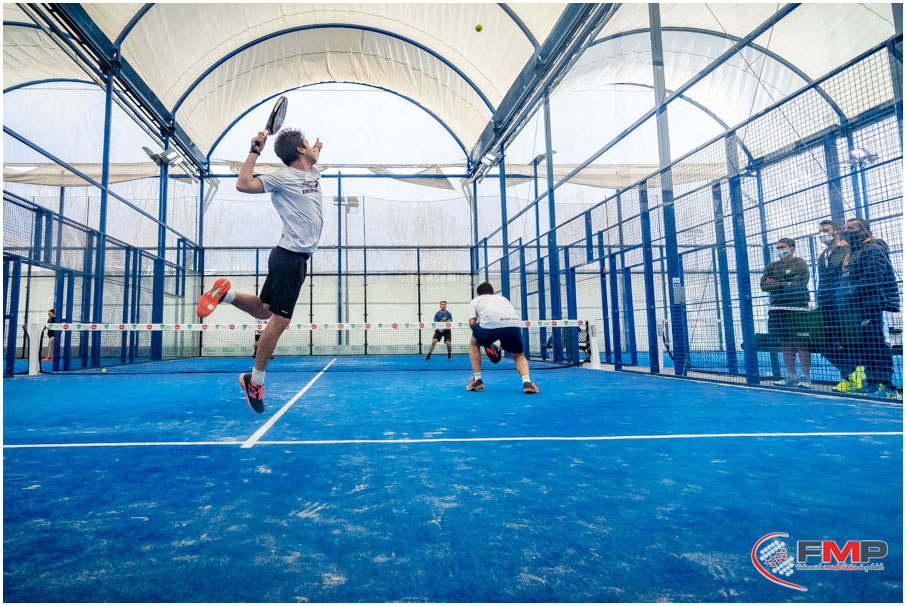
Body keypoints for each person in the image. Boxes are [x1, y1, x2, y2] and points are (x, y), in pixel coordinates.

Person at [197, 127, 323, 413]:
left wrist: (316, 149)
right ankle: (254, 381)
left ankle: (225, 295)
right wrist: (255, 150)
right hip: (290, 257)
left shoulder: (313, 172)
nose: (312, 148)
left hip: (289, 257)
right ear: (300, 150)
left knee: (265, 310)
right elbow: (243, 184)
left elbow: (313, 157)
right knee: (279, 321)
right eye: (307, 144)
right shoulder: (283, 177)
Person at [841, 217, 900, 399]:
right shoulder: (855, 251)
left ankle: (886, 385)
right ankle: (872, 382)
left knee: (875, 342)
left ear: (862, 230)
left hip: (872, 302)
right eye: (845, 228)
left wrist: (851, 291)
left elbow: (873, 276)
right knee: (866, 342)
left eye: (850, 228)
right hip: (859, 303)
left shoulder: (873, 248)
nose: (846, 231)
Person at [815, 220, 863, 392]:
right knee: (825, 343)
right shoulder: (822, 255)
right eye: (820, 231)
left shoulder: (847, 249)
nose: (822, 234)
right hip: (827, 303)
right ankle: (851, 374)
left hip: (845, 302)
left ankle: (852, 378)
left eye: (826, 230)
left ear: (836, 232)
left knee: (848, 341)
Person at [465, 282, 538, 393]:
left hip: (489, 327)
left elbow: (472, 322)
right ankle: (527, 383)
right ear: (493, 293)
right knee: (519, 355)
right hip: (513, 325)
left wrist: (482, 340)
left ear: (478, 294)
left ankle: (478, 380)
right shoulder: (503, 299)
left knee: (474, 344)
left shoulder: (476, 300)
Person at [760, 238, 812, 388]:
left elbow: (799, 284)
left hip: (798, 308)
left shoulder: (800, 264)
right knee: (785, 343)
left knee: (802, 342)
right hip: (778, 309)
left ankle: (805, 377)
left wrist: (776, 284)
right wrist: (786, 284)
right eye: (777, 248)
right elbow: (763, 285)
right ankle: (791, 376)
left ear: (792, 248)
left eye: (782, 247)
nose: (779, 250)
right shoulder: (771, 266)